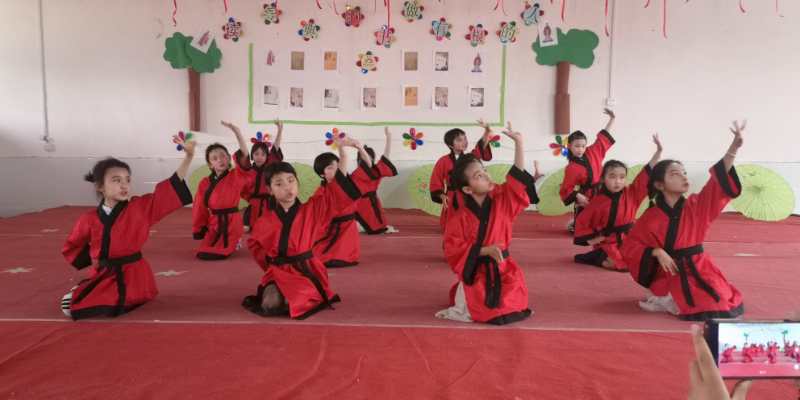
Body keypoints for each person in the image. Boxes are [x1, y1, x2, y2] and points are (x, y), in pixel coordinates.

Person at [60, 134, 195, 319]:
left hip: (134, 276)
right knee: (71, 304)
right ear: (100, 186)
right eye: (116, 180)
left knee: (75, 306)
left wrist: (188, 157)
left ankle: (94, 292)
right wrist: (90, 260)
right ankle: (92, 288)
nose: (124, 185)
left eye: (127, 180)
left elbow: (167, 191)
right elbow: (73, 244)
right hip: (104, 273)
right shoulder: (89, 218)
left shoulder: (139, 208)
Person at [622, 121, 746, 320]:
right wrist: (656, 251)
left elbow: (716, 185)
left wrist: (734, 148)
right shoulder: (651, 216)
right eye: (675, 174)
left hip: (700, 266)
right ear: (660, 185)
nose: (683, 177)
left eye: (684, 173)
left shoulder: (697, 205)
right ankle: (667, 296)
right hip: (669, 272)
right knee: (703, 303)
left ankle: (672, 299)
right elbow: (631, 246)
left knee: (722, 302)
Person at [242, 138, 363, 318]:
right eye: (279, 184)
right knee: (269, 305)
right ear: (270, 190)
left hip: (305, 270)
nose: (287, 187)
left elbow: (335, 189)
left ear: (297, 182)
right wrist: (273, 265)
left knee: (293, 302)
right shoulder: (264, 221)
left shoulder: (312, 209)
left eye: (291, 180)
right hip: (279, 271)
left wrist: (342, 151)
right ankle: (282, 291)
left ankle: (297, 293)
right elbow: (256, 246)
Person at [437, 122, 542, 325]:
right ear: (468, 189)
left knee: (511, 305)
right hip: (477, 270)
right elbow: (452, 248)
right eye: (478, 176)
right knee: (480, 307)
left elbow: (516, 180)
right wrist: (484, 250)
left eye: (484, 170)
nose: (486, 175)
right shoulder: (459, 218)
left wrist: (519, 143)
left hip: (504, 268)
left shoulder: (502, 200)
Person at [573, 134, 662, 271]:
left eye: (622, 177)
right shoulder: (597, 201)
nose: (618, 181)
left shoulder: (632, 193)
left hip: (630, 239)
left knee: (647, 260)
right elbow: (582, 222)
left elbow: (645, 174)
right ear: (603, 179)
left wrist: (658, 152)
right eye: (612, 177)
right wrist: (594, 239)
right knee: (619, 265)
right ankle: (596, 256)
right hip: (609, 242)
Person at [191, 121, 250, 260]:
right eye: (215, 158)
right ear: (210, 164)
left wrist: (237, 132)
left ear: (229, 158)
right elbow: (199, 206)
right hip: (215, 223)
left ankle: (235, 241)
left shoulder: (236, 175)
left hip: (232, 223)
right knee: (204, 252)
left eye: (223, 156)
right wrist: (199, 227)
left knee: (221, 251)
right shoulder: (205, 183)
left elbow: (244, 154)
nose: (220, 160)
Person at [429, 120, 494, 231]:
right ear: (450, 145)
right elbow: (436, 181)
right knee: (452, 227)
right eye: (459, 140)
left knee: (473, 225)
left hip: (469, 194)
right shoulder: (443, 161)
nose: (464, 142)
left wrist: (487, 131)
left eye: (465, 139)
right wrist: (441, 195)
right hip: (452, 197)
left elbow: (480, 146)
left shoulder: (470, 157)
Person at [560, 108, 616, 233]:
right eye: (577, 146)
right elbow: (566, 188)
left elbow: (602, 138)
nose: (580, 149)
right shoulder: (571, 167)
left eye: (583, 146)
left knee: (606, 220)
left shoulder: (593, 151)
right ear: (569, 146)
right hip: (587, 196)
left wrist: (612, 119)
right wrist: (578, 195)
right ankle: (577, 224)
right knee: (583, 228)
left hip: (602, 190)